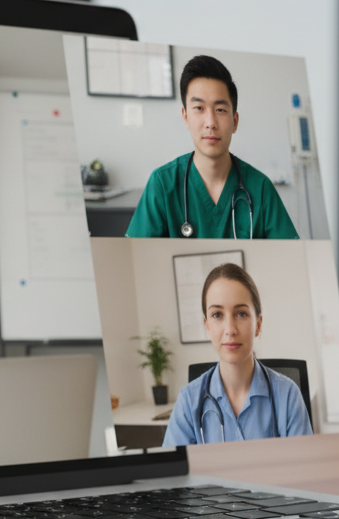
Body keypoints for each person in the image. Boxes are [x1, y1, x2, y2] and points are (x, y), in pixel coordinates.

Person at [125, 55, 299, 239]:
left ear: (235, 121)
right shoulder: (162, 184)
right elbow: (136, 260)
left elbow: (290, 260)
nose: (210, 123)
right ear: (185, 117)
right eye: (199, 108)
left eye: (220, 110)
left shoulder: (260, 188)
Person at [162, 262, 310, 444]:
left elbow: (303, 469)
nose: (230, 329)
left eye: (241, 314)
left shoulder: (287, 395)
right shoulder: (188, 401)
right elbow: (177, 471)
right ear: (207, 325)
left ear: (258, 325)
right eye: (217, 315)